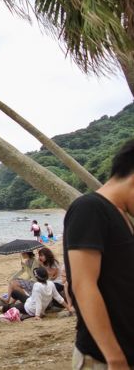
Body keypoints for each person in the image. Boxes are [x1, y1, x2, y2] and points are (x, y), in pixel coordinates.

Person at [64, 139, 134, 368]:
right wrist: (115, 357)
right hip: (104, 358)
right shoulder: (90, 208)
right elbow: (84, 286)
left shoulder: (121, 215)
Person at [0, 267, 67, 318]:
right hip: (31, 301)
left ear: (37, 277)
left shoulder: (37, 286)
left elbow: (38, 302)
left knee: (12, 307)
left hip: (30, 308)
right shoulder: (51, 283)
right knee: (15, 292)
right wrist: (68, 307)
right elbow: (58, 297)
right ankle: (9, 302)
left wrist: (37, 315)